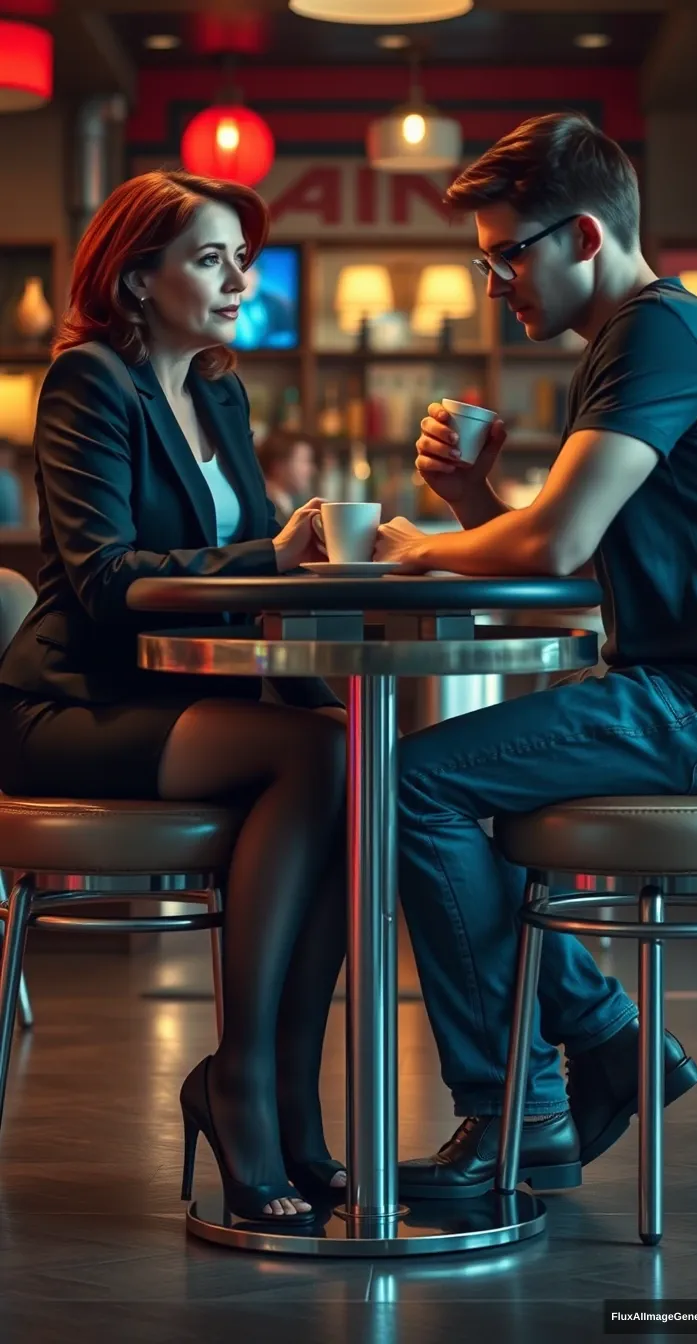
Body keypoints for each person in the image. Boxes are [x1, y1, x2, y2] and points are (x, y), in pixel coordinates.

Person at [374, 111, 697, 1198]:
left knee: (413, 788)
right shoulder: (640, 338)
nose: (493, 280)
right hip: (690, 693)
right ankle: (600, 1045)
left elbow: (556, 541)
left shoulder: (657, 337)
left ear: (583, 237)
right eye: (484, 257)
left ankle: (527, 1108)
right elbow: (570, 556)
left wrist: (424, 544)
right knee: (442, 786)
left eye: (506, 252)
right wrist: (470, 502)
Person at [0, 170, 348, 1223]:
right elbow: (106, 582)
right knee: (322, 756)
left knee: (347, 758)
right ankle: (243, 1084)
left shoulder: (221, 389)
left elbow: (244, 565)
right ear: (138, 278)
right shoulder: (89, 382)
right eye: (211, 257)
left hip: (180, 699)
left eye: (242, 255)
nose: (241, 275)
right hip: (71, 707)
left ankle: (287, 1098)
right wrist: (269, 556)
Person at [258, 429, 316, 526]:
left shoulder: (289, 504)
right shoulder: (264, 510)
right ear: (278, 466)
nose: (311, 469)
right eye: (304, 461)